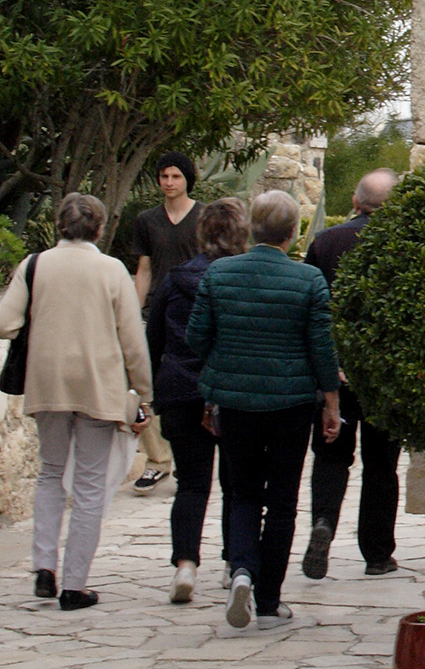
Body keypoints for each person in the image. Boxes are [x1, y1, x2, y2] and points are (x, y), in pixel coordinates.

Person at [188, 190, 342, 631]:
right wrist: (331, 402)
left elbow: (196, 336)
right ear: (293, 232)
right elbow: (322, 348)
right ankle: (270, 601)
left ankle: (241, 569)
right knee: (282, 501)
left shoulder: (219, 274)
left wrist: (222, 367)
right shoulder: (308, 280)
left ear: (252, 227)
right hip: (291, 404)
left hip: (236, 400)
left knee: (243, 492)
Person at [0, 193, 154, 611]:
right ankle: (74, 584)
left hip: (47, 382)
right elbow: (132, 340)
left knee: (50, 473)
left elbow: (6, 321)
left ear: (59, 225)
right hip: (98, 385)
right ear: (100, 228)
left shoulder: (35, 264)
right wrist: (144, 393)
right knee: (89, 485)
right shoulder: (112, 270)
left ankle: (43, 567)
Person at [300, 169, 412, 579]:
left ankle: (323, 523)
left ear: (354, 201)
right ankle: (377, 553)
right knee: (382, 465)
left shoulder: (325, 242)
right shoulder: (405, 243)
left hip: (335, 371)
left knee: (331, 456)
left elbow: (311, 309)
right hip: (384, 375)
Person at [147, 196, 249, 604]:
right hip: (231, 390)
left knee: (191, 483)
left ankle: (185, 564)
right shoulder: (242, 280)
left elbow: (154, 337)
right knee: (236, 483)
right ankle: (233, 561)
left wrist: (155, 388)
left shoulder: (175, 280)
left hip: (181, 389)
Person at [130, 152, 203, 495]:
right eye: (164, 176)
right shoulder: (147, 220)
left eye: (176, 176)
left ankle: (192, 458)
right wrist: (133, 312)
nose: (169, 182)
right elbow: (144, 269)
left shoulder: (203, 216)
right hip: (157, 310)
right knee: (146, 382)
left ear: (188, 179)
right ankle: (158, 461)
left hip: (196, 308)